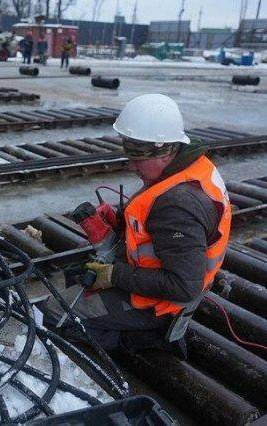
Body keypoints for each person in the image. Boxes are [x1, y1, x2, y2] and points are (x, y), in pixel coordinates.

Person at [40, 94, 231, 352]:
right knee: (70, 278)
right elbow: (161, 232)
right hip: (156, 278)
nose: (131, 166)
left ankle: (147, 341)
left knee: (54, 312)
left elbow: (183, 286)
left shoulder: (177, 204)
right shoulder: (186, 166)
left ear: (163, 151)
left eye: (136, 158)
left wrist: (114, 275)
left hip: (161, 303)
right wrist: (121, 224)